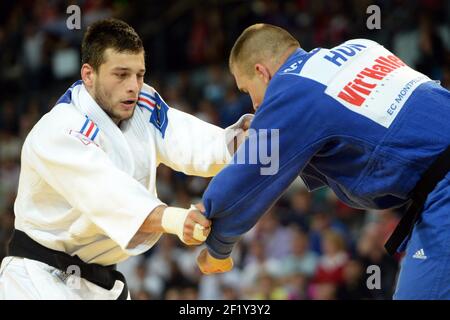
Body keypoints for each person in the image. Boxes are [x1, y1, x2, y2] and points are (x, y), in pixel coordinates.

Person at [0, 18, 250, 300]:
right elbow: (109, 195)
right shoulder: (60, 130)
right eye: (120, 75)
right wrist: (177, 220)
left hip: (102, 282)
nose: (133, 86)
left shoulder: (142, 103)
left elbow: (188, 140)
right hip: (39, 278)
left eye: (139, 74)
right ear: (88, 74)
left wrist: (243, 143)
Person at [196, 23, 450, 299]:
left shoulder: (292, 89)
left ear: (262, 72)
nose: (255, 105)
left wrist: (217, 246)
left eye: (247, 91)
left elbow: (250, 175)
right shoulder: (361, 47)